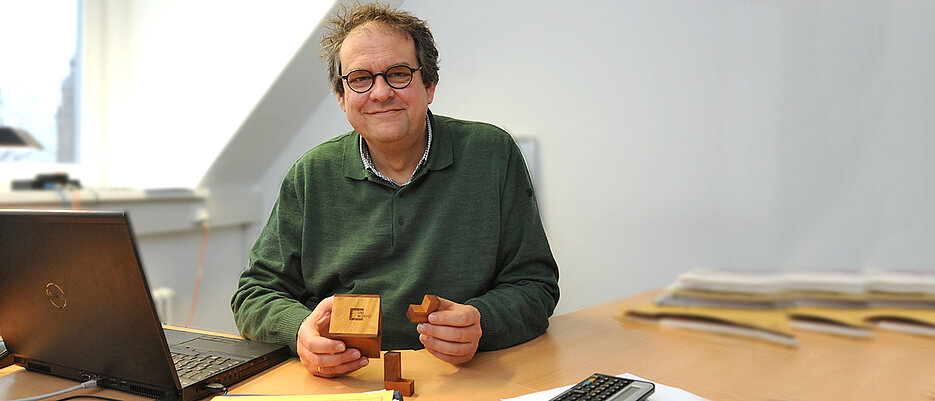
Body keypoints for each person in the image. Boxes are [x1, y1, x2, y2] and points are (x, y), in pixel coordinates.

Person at [231, 2, 559, 378]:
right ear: (342, 97)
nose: (381, 92)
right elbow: (254, 294)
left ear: (430, 84)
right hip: (346, 381)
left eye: (398, 74)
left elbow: (536, 286)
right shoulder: (310, 175)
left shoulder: (492, 154)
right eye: (360, 79)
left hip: (465, 376)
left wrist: (484, 321)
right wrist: (299, 331)